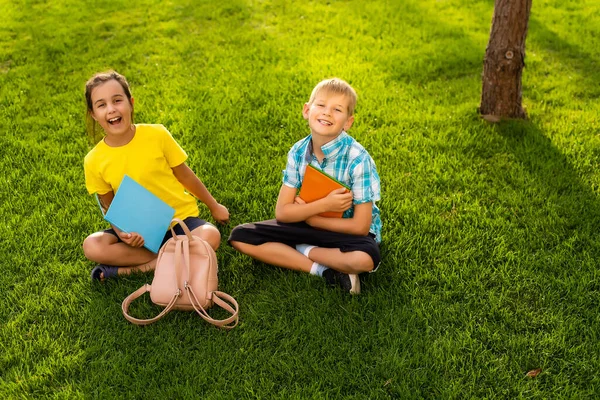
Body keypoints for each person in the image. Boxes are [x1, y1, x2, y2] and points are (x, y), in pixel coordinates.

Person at [229, 78, 381, 294]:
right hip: (307, 225)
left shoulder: (358, 159)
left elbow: (360, 226)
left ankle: (301, 248)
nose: (327, 113)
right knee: (240, 237)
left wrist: (311, 218)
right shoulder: (298, 152)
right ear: (307, 110)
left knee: (365, 259)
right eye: (321, 105)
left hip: (347, 233)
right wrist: (322, 207)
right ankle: (323, 270)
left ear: (348, 122)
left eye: (337, 109)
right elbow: (282, 212)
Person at [82, 71, 229, 281]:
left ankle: (140, 267)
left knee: (210, 235)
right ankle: (170, 256)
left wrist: (214, 206)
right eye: (102, 104)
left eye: (117, 100)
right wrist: (123, 233)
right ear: (94, 114)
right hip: (140, 235)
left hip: (180, 222)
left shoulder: (157, 135)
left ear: (131, 103)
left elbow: (186, 176)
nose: (112, 109)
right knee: (92, 246)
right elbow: (109, 206)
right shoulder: (94, 160)